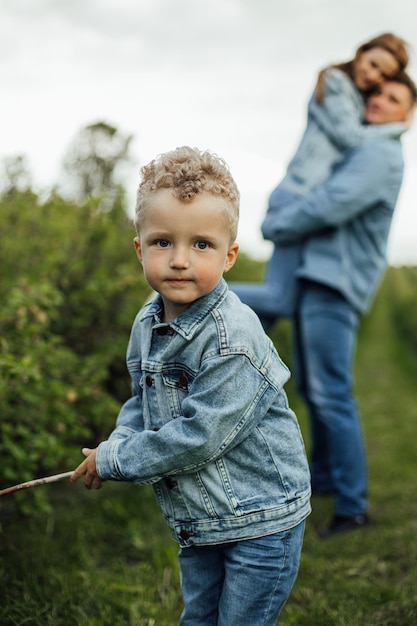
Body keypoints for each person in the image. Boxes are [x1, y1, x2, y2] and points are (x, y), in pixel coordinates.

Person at [70, 146, 311, 625]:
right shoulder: (148, 320)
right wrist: (115, 444)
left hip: (262, 519)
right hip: (201, 517)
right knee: (198, 616)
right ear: (140, 248)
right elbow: (144, 400)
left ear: (229, 256)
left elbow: (199, 436)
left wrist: (118, 461)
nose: (179, 260)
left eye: (201, 244)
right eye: (163, 242)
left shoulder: (233, 338)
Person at [261, 72, 417, 538]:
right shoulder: (364, 145)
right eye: (377, 93)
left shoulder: (380, 153)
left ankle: (352, 508)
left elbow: (331, 204)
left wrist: (277, 225)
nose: (379, 101)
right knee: (313, 389)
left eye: (394, 99)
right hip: (319, 275)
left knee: (332, 395)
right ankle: (326, 481)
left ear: (407, 116)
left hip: (337, 281)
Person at [229, 32, 410, 329]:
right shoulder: (336, 82)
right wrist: (397, 127)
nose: (372, 74)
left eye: (383, 74)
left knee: (277, 306)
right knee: (279, 298)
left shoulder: (358, 96)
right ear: (361, 52)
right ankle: (194, 294)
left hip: (304, 196)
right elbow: (350, 137)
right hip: (298, 195)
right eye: (372, 63)